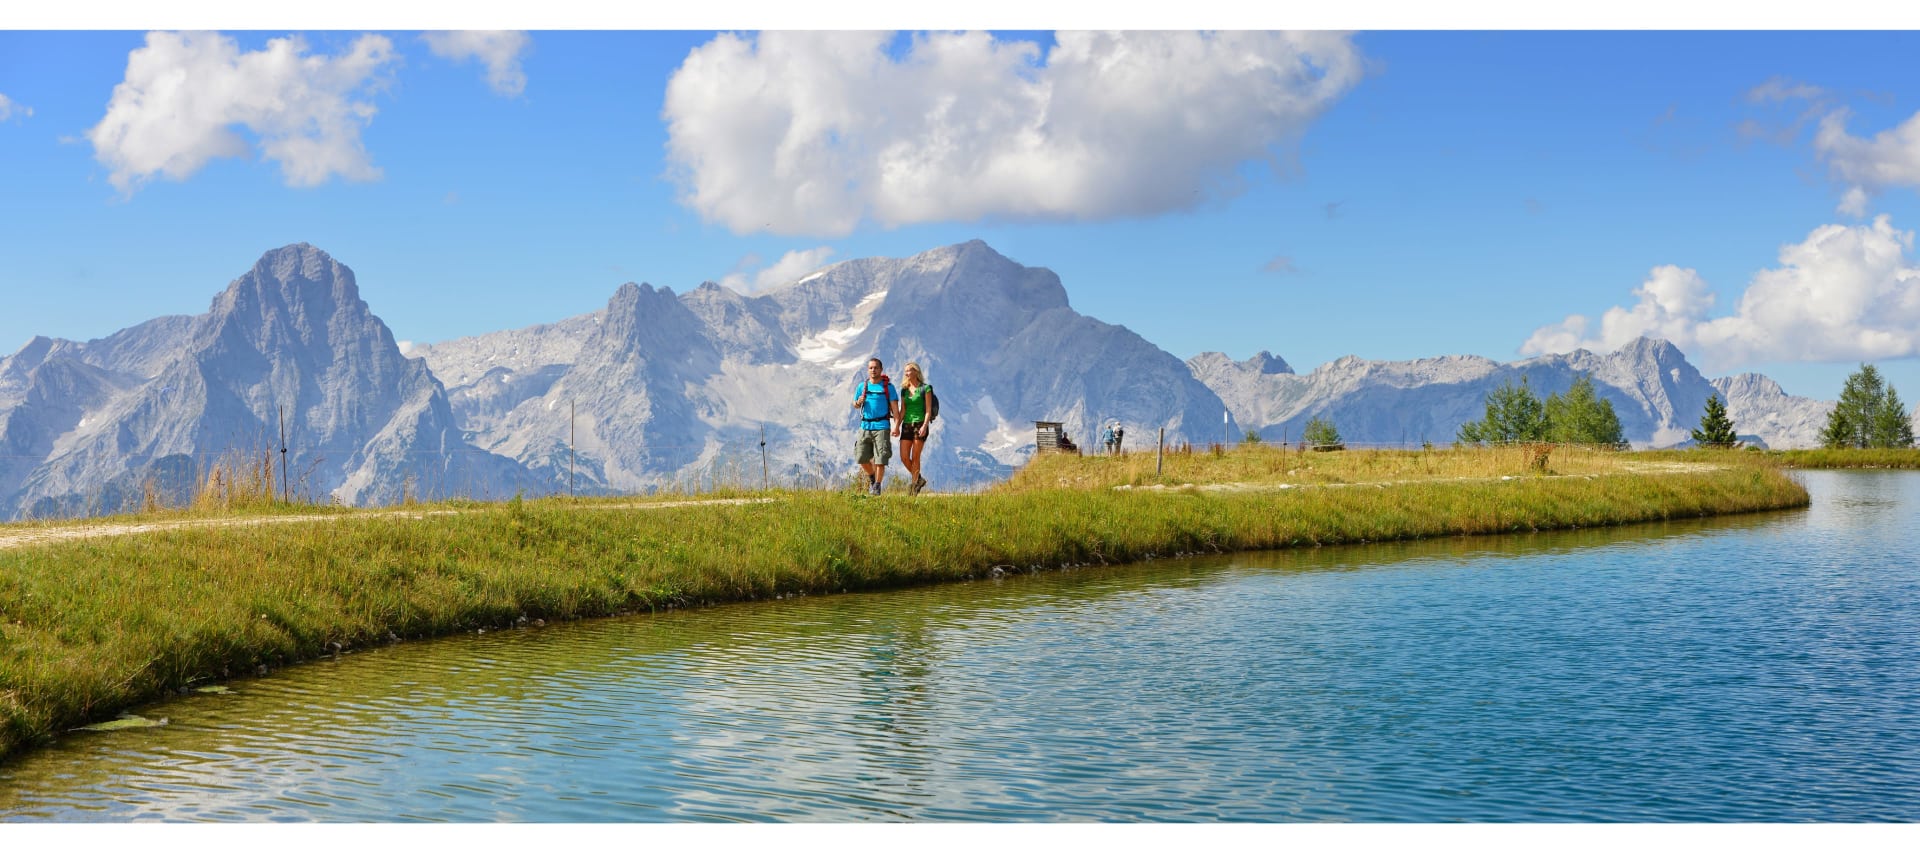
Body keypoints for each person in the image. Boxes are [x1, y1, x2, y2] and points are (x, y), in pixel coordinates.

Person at [851, 357, 899, 495]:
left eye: (876, 368)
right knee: (861, 457)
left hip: (882, 426)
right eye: (871, 368)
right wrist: (858, 402)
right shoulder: (862, 386)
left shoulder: (888, 387)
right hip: (865, 426)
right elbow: (855, 404)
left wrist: (896, 426)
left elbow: (895, 409)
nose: (873, 370)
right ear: (868, 370)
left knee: (880, 459)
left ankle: (877, 487)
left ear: (881, 369)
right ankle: (872, 478)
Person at [898, 361, 934, 494]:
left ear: (916, 371)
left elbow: (928, 410)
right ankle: (919, 479)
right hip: (906, 425)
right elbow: (903, 410)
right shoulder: (904, 390)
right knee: (904, 457)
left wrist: (924, 426)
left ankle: (914, 487)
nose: (907, 373)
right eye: (905, 371)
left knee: (915, 457)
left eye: (909, 370)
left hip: (920, 424)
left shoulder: (926, 388)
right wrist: (896, 426)